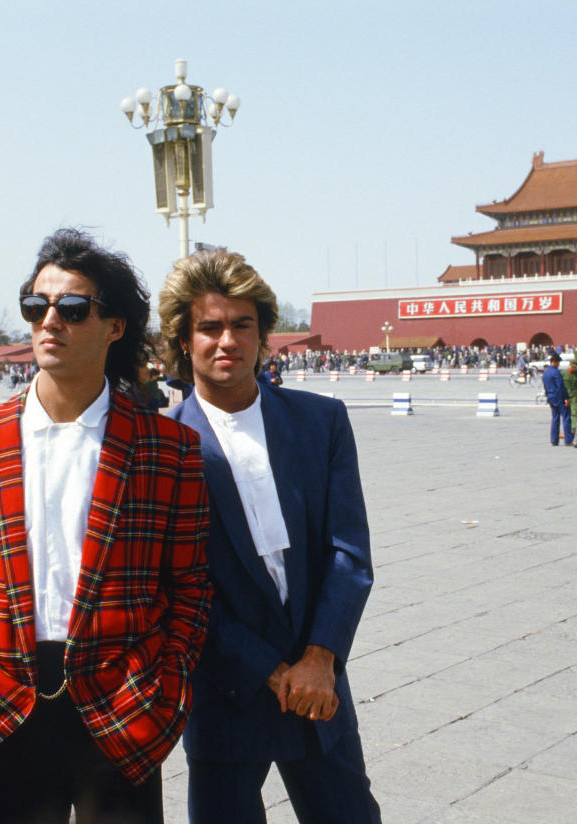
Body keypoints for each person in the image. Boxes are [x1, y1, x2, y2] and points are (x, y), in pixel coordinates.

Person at [0, 228, 211, 824]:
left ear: (115, 326)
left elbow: (192, 587)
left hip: (122, 702)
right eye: (36, 305)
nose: (50, 321)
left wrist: (165, 682)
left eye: (73, 309)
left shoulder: (167, 448)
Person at [158, 248, 382, 824]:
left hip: (319, 683)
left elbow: (349, 554)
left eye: (241, 325)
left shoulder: (319, 421)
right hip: (225, 689)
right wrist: (270, 669)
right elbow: (176, 590)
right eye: (209, 327)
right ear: (184, 341)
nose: (226, 340)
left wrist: (318, 658)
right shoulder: (162, 447)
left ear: (264, 336)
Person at [542, 353, 571, 446]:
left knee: (555, 418)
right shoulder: (556, 372)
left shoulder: (545, 372)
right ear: (554, 362)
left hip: (550, 397)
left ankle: (554, 440)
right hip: (559, 397)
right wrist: (566, 397)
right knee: (566, 418)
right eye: (558, 362)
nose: (559, 364)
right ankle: (568, 439)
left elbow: (545, 386)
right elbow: (560, 386)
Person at [564, 361, 577, 426]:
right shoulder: (563, 373)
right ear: (569, 365)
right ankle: (567, 429)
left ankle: (574, 428)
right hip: (565, 397)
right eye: (572, 366)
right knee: (566, 414)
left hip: (574, 396)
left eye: (575, 367)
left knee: (575, 412)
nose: (574, 368)